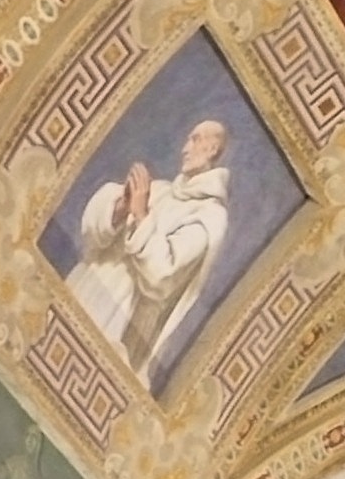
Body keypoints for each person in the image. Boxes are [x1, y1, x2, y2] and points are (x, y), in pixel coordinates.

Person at [67, 120, 233, 380]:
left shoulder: (210, 217)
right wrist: (121, 208)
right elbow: (93, 235)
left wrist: (142, 215)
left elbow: (163, 276)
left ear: (212, 148)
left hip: (116, 317)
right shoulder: (161, 190)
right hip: (85, 291)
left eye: (195, 139)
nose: (185, 148)